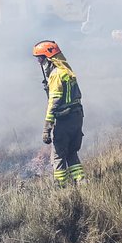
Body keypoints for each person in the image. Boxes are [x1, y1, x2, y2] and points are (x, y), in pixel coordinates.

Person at [34, 39, 85, 186]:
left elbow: (54, 103)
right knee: (72, 153)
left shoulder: (56, 75)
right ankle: (81, 182)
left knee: (58, 156)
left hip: (64, 121)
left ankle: (62, 188)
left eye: (40, 58)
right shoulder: (67, 71)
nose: (39, 62)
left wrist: (46, 129)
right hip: (77, 117)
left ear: (48, 58)